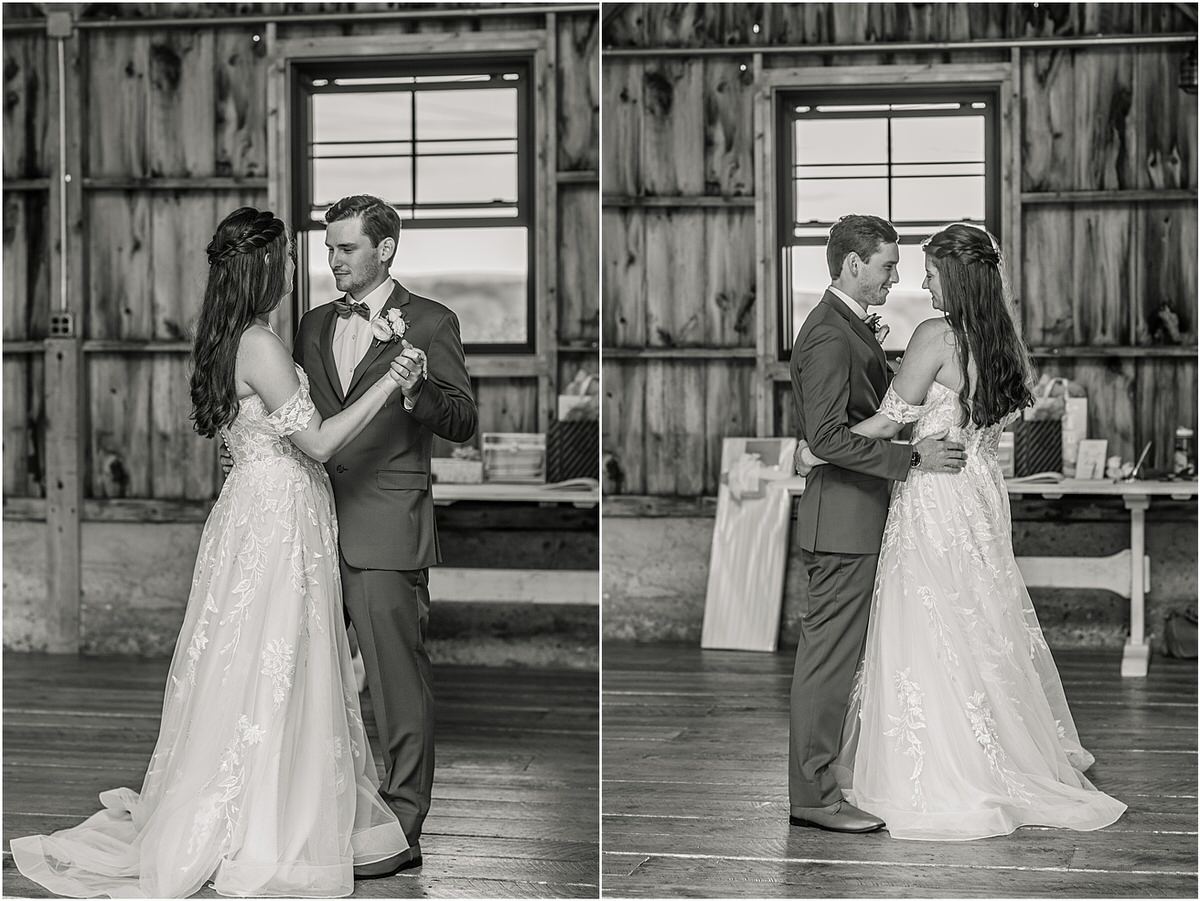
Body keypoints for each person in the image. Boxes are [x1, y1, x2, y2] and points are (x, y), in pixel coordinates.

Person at [10, 207, 411, 897]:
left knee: (262, 660)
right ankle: (262, 821)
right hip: (276, 514)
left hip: (260, 509)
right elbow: (315, 443)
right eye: (287, 256)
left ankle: (270, 802)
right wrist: (390, 380)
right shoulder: (257, 342)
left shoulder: (232, 335)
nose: (294, 266)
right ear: (262, 267)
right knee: (271, 661)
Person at [798, 222, 1127, 840]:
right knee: (977, 620)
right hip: (977, 494)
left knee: (926, 624)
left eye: (927, 272)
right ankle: (999, 754)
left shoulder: (934, 336)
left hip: (933, 495)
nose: (917, 283)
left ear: (955, 276)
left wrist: (818, 452)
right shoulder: (1002, 340)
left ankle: (938, 765)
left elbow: (892, 420)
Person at [289, 194, 477, 876]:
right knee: (313, 678)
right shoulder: (310, 324)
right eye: (329, 247)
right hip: (307, 522)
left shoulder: (431, 321)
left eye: (345, 247)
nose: (332, 259)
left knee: (397, 681)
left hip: (386, 526)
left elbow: (461, 419)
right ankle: (326, 808)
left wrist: (418, 391)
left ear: (385, 249)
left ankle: (401, 824)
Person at [787, 214, 967, 834]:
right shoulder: (830, 336)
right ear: (851, 264)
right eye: (888, 266)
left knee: (840, 659)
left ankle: (828, 782)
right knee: (827, 662)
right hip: (841, 519)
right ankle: (814, 798)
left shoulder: (846, 326)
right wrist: (913, 456)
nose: (897, 277)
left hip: (858, 514)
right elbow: (830, 438)